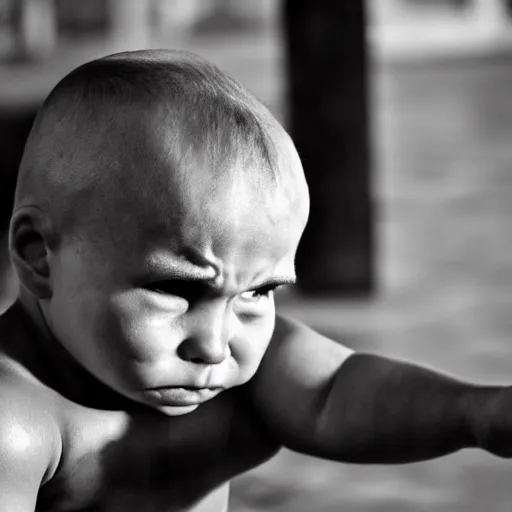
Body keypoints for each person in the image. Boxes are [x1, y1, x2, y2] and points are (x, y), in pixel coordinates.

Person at [0, 49, 510, 511]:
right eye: (177, 290)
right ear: (39, 256)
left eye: (259, 291)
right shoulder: (19, 423)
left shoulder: (240, 374)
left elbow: (336, 392)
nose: (215, 344)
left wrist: (479, 414)